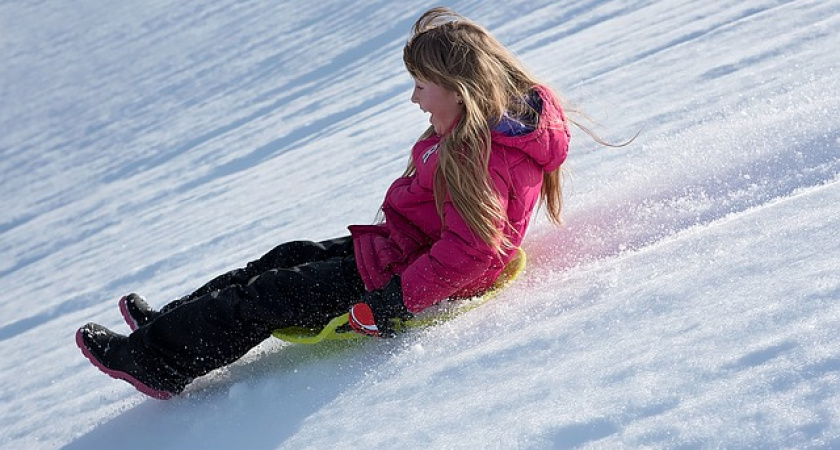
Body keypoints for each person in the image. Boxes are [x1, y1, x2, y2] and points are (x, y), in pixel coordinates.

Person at [76, 6, 571, 399]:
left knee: (267, 296)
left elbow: (472, 253)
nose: (415, 99)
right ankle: (168, 322)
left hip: (401, 278)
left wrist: (395, 303)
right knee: (284, 257)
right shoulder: (482, 132)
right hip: (401, 250)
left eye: (422, 86)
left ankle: (155, 362)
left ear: (461, 92)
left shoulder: (479, 156)